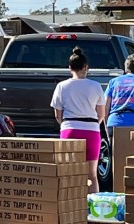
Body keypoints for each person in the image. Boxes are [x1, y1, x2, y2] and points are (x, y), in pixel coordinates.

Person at [50, 47, 106, 193]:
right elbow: (101, 114)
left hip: (69, 129)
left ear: (69, 68)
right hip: (91, 130)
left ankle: (69, 206)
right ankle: (93, 208)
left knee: (68, 173)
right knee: (92, 175)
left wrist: (66, 125)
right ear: (86, 67)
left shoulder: (61, 86)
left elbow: (58, 115)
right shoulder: (96, 86)